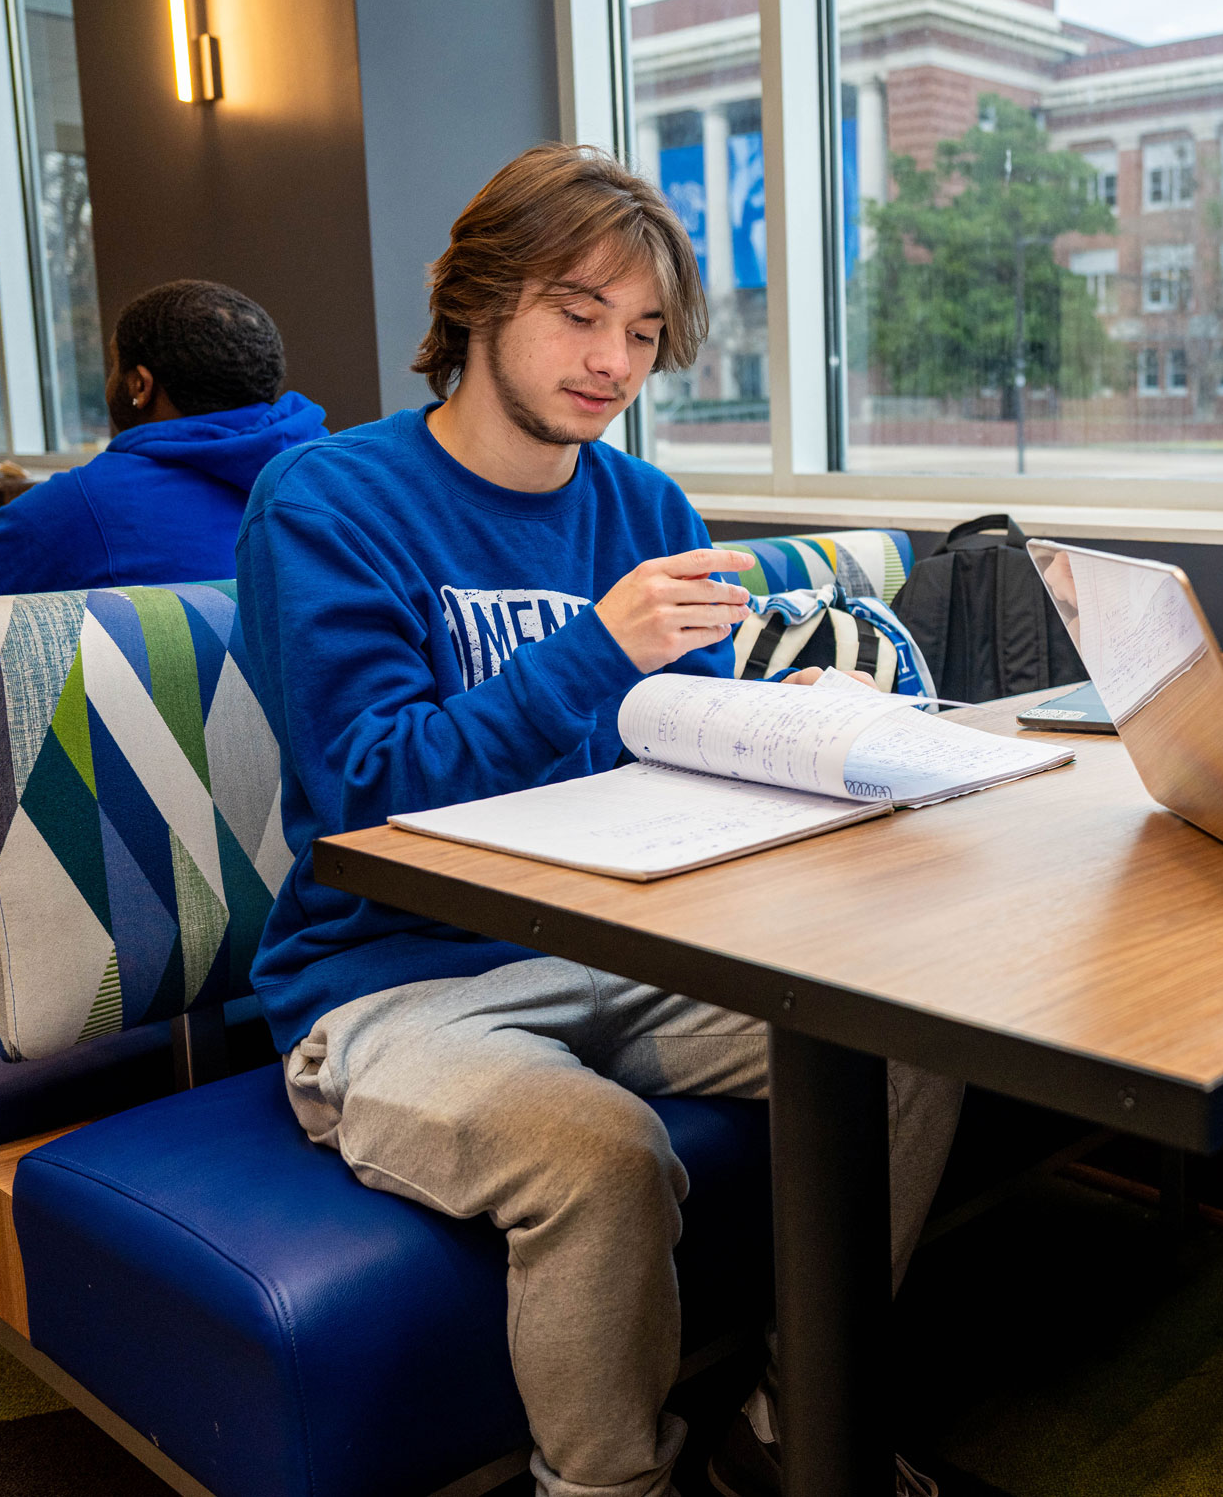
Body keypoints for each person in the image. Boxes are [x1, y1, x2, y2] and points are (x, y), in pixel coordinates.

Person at [235, 144, 959, 1497]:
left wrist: (785, 714)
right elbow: (364, 790)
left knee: (920, 1034)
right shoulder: (330, 502)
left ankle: (796, 1421)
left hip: (627, 951)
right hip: (390, 981)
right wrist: (594, 653)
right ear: (477, 299)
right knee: (603, 1156)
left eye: (640, 333)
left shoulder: (643, 506)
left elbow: (674, 749)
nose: (612, 361)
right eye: (578, 311)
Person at [0, 279, 323, 655]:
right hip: (318, 742)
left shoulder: (82, 505)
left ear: (140, 385)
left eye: (115, 364)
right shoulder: (334, 474)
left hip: (152, 750)